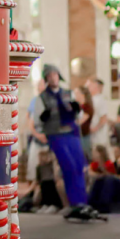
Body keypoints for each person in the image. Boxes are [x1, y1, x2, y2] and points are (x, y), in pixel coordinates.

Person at [35, 64, 97, 220]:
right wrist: (45, 116)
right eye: (49, 76)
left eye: (55, 74)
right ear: (46, 78)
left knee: (78, 166)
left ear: (58, 76)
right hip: (56, 135)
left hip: (72, 133)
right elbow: (37, 119)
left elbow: (79, 114)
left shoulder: (68, 93)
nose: (53, 78)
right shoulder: (42, 98)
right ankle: (75, 203)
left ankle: (82, 203)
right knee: (68, 166)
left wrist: (76, 109)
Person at [87, 77, 110, 149]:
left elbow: (104, 118)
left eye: (90, 86)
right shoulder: (91, 99)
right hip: (91, 135)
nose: (88, 87)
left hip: (99, 136)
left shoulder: (101, 100)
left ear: (96, 87)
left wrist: (95, 129)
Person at [74, 85, 94, 159]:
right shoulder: (78, 107)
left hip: (84, 137)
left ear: (82, 95)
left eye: (76, 93)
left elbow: (80, 121)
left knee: (86, 157)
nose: (75, 95)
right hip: (77, 136)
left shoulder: (87, 107)